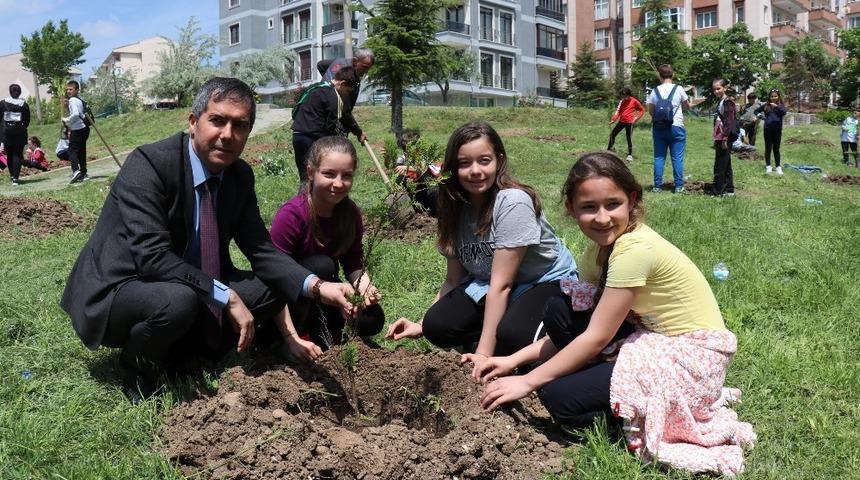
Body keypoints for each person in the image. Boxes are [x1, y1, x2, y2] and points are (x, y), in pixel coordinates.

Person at [60, 77, 358, 403]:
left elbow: (260, 249)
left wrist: (318, 286)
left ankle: (192, 352)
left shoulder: (239, 175)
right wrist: (225, 295)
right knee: (177, 302)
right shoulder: (149, 165)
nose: (227, 135)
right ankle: (138, 369)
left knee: (279, 283)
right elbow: (152, 258)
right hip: (122, 286)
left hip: (193, 279)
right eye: (217, 120)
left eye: (240, 125)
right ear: (193, 122)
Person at [474, 151, 756, 476]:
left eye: (613, 204)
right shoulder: (597, 250)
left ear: (631, 200)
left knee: (559, 398)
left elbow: (595, 338)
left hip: (691, 359)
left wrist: (527, 381)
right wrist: (512, 360)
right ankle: (608, 387)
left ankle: (637, 414)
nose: (602, 218)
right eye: (589, 207)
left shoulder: (633, 250)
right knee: (560, 310)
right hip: (653, 339)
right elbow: (584, 330)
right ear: (571, 209)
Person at [385, 121, 577, 371]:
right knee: (438, 325)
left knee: (513, 335)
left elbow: (502, 284)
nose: (475, 170)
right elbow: (454, 280)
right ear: (453, 167)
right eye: (464, 163)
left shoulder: (512, 203)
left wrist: (483, 355)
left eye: (484, 161)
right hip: (490, 285)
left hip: (543, 281)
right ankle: (497, 335)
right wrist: (421, 323)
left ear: (499, 160)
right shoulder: (452, 206)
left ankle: (553, 341)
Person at [270, 136, 384, 361]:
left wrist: (366, 288)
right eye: (329, 174)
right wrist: (290, 336)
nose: (338, 183)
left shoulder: (350, 213)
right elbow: (272, 279)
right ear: (311, 173)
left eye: (347, 175)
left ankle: (326, 333)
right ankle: (293, 340)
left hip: (326, 295)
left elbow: (353, 262)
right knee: (321, 265)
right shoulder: (292, 216)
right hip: (287, 306)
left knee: (372, 318)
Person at [292, 66, 361, 186]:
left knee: (305, 175)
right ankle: (311, 202)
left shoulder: (316, 87)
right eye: (348, 91)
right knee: (315, 176)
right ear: (343, 84)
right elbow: (332, 125)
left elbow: (345, 115)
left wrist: (358, 132)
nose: (347, 95)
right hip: (312, 139)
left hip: (298, 135)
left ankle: (303, 201)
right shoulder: (332, 96)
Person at [646, 64, 690, 194]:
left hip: (659, 128)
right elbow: (686, 106)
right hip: (676, 126)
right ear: (673, 75)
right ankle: (678, 187)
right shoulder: (679, 89)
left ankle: (657, 187)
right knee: (677, 158)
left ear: (660, 76)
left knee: (659, 157)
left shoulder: (655, 91)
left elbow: (651, 111)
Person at [316, 48, 374, 145]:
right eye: (364, 67)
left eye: (368, 68)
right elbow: (344, 111)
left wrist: (329, 79)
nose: (366, 71)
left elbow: (320, 64)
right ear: (355, 61)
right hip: (328, 118)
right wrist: (358, 132)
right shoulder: (348, 78)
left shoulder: (340, 62)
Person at [0, 84, 31, 186]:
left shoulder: (3, 104)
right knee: (17, 154)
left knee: (9, 155)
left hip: (6, 133)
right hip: (20, 133)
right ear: (20, 92)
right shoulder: (24, 105)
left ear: (10, 91)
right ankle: (16, 179)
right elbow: (27, 120)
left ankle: (12, 175)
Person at [711, 79, 736, 197]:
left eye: (718, 88)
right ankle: (729, 189)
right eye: (714, 89)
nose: (716, 91)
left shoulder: (728, 102)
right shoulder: (721, 101)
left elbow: (729, 121)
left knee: (720, 164)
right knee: (726, 163)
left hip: (725, 137)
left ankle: (718, 191)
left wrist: (725, 138)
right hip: (720, 136)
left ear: (724, 88)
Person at [607, 87, 645, 162]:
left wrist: (636, 118)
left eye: (625, 96)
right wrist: (613, 120)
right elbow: (619, 111)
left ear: (628, 94)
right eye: (622, 96)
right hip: (622, 121)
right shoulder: (622, 101)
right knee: (612, 134)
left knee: (628, 138)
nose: (623, 97)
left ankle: (630, 155)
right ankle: (608, 151)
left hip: (630, 122)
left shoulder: (634, 101)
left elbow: (642, 110)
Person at [63, 80, 90, 184]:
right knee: (82, 151)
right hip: (84, 128)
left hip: (78, 129)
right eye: (68, 89)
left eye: (71, 89)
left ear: (77, 90)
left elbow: (75, 114)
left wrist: (67, 120)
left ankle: (75, 171)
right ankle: (84, 173)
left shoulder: (73, 100)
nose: (69, 91)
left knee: (72, 151)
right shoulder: (80, 99)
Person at [755, 89, 787, 175]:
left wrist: (776, 106)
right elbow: (756, 111)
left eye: (775, 96)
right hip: (767, 129)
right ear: (769, 97)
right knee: (768, 148)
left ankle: (778, 167)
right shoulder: (766, 105)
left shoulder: (781, 105)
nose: (773, 98)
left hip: (777, 130)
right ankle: (768, 166)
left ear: (778, 97)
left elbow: (784, 112)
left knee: (776, 149)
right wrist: (760, 116)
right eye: (772, 96)